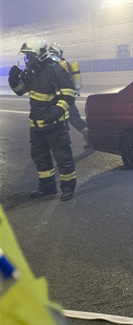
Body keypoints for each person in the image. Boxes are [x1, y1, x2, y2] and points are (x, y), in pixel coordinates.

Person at [8, 36, 78, 201]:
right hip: (36, 125)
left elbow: (68, 95)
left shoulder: (55, 69)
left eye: (29, 55)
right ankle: (47, 188)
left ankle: (68, 188)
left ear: (39, 54)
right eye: (26, 56)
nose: (27, 59)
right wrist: (13, 80)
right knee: (40, 158)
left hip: (55, 124)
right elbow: (20, 90)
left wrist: (54, 113)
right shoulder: (31, 71)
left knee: (63, 157)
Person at [48, 42, 91, 148]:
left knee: (72, 119)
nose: (51, 55)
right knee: (72, 119)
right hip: (65, 97)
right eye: (51, 53)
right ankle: (90, 139)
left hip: (64, 97)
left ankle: (91, 139)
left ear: (58, 54)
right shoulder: (60, 65)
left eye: (53, 53)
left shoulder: (61, 66)